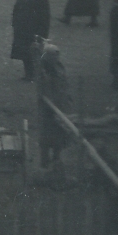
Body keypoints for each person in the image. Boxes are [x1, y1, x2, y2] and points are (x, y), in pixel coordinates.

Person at [36, 40, 72, 170]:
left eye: (56, 55)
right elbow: (43, 88)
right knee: (46, 135)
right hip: (48, 107)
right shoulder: (43, 70)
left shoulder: (60, 67)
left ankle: (57, 157)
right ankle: (44, 160)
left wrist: (67, 97)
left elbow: (65, 83)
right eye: (52, 55)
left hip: (61, 105)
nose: (55, 58)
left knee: (60, 133)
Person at [10, 0, 51, 80]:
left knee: (35, 53)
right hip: (21, 30)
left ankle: (37, 73)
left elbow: (45, 17)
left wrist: (42, 32)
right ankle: (28, 73)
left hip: (35, 30)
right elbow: (16, 10)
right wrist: (15, 22)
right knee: (24, 54)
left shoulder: (42, 0)